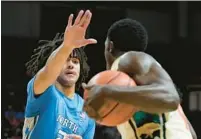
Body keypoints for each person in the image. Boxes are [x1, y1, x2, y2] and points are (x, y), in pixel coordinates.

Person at [83, 19, 197, 139]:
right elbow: (191, 133)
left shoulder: (127, 60)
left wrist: (107, 92)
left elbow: (171, 98)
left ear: (110, 46)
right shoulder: (145, 83)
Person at [23, 10, 97, 139]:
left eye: (75, 61)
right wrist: (67, 46)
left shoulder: (88, 111)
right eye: (65, 60)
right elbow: (48, 72)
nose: (71, 65)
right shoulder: (43, 89)